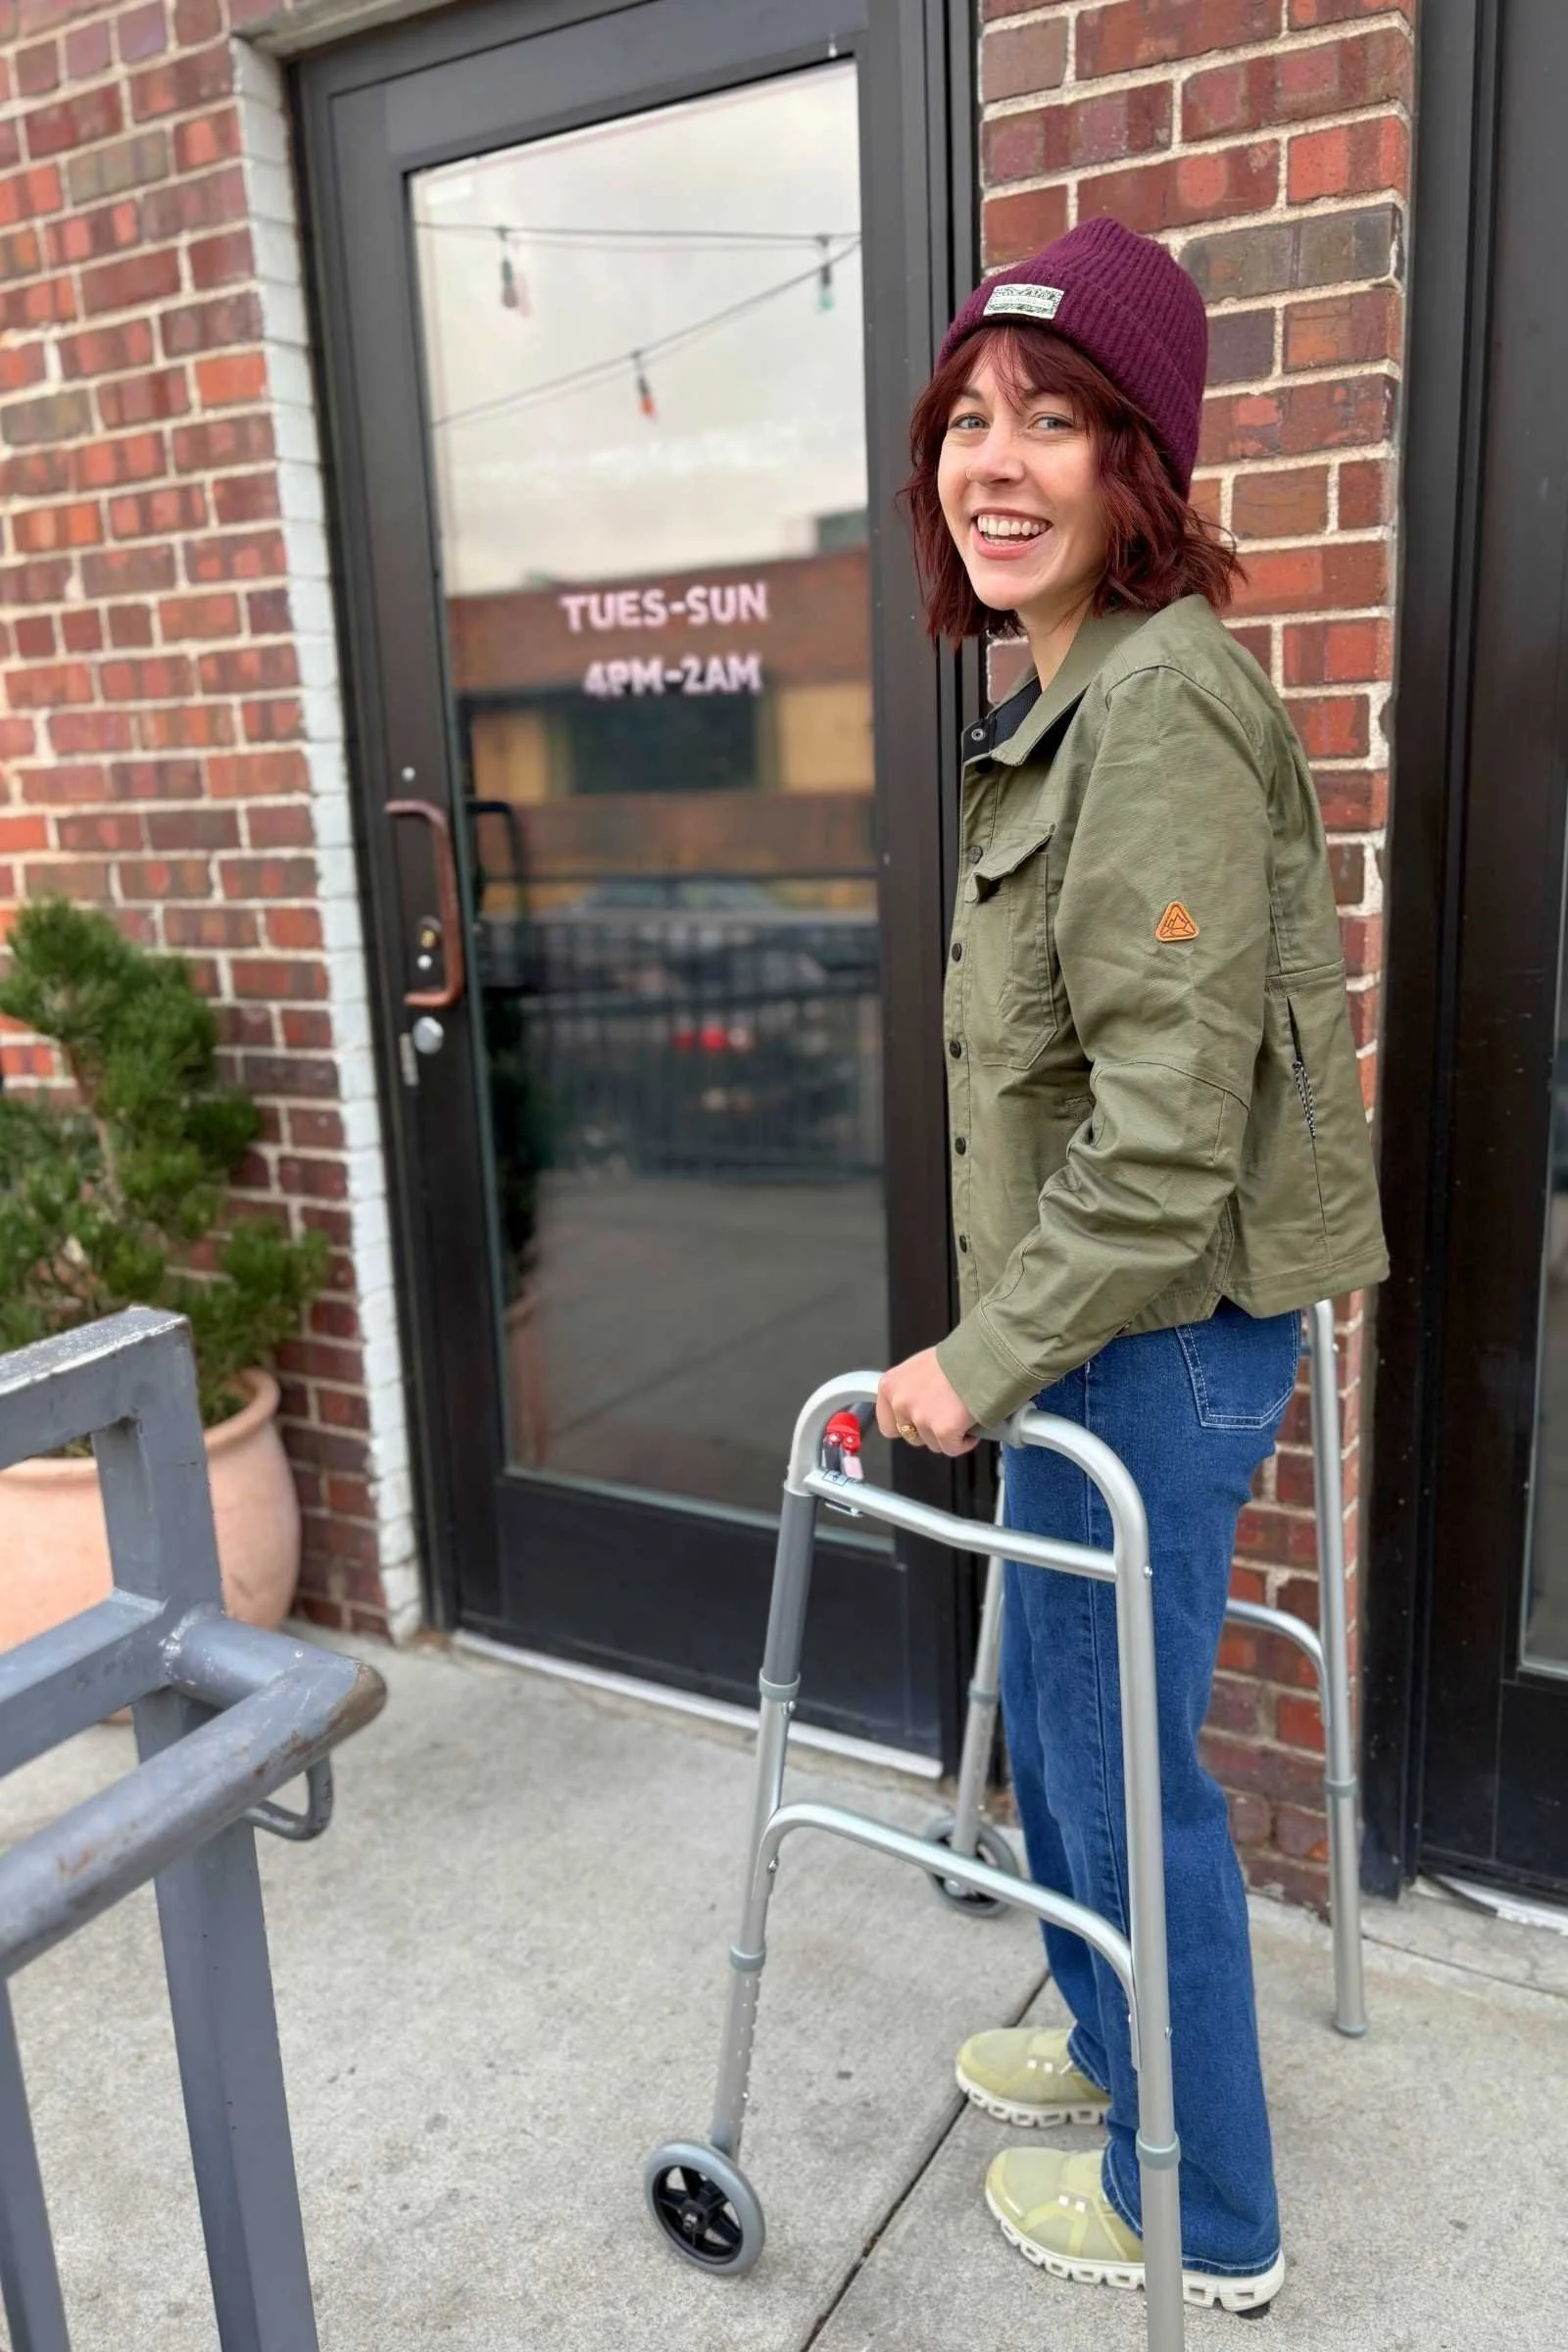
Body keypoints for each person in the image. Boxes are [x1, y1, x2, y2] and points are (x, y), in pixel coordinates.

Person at [872, 217, 1388, 2315]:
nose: (993, 463)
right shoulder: (1072, 696)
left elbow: (1167, 1141)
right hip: (1098, 1336)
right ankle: (1104, 2049)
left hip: (1146, 1347)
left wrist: (975, 1364)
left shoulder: (1154, 710)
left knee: (1113, 1768)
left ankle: (1213, 2213)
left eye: (1053, 421)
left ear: (1136, 467)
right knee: (1071, 1745)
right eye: (966, 421)